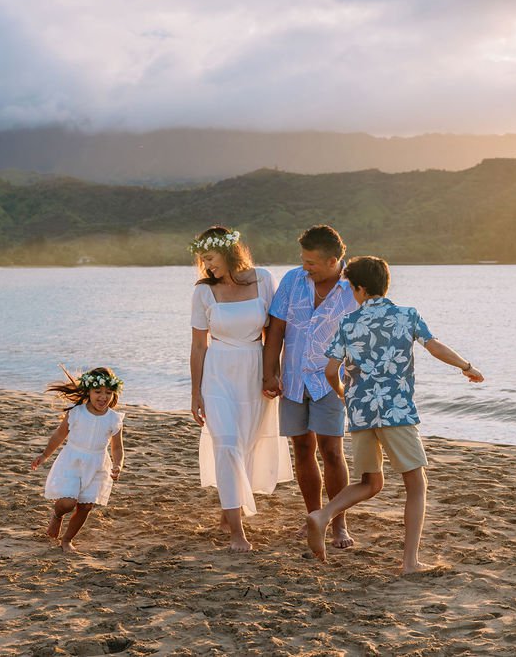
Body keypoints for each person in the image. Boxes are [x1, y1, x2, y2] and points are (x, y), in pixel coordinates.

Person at [306, 256, 484, 573]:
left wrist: (343, 394)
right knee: (416, 484)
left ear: (360, 289)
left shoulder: (348, 323)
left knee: (370, 482)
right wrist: (467, 368)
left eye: (351, 288)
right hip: (396, 411)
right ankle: (410, 562)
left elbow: (330, 369)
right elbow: (435, 347)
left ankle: (322, 515)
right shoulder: (406, 316)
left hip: (361, 412)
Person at [190, 226, 293, 552]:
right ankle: (237, 532)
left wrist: (273, 374)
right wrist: (196, 393)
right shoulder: (203, 292)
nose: (207, 266)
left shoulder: (263, 279)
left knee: (246, 446)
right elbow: (198, 346)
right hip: (218, 372)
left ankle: (228, 510)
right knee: (229, 445)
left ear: (229, 252)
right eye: (203, 260)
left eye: (211, 258)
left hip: (253, 370)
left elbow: (274, 333)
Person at [263, 225, 358, 549]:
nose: (306, 267)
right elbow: (276, 328)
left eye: (312, 262)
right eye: (303, 260)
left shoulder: (353, 288)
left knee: (332, 452)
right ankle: (313, 515)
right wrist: (270, 372)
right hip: (292, 379)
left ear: (333, 261)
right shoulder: (292, 280)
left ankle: (338, 523)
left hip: (332, 383)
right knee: (302, 450)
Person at [31, 367, 125, 554]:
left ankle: (67, 540)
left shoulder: (114, 419)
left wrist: (117, 464)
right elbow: (59, 435)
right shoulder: (76, 412)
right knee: (68, 503)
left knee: (85, 506)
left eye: (108, 393)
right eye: (98, 392)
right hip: (73, 461)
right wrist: (44, 455)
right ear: (88, 391)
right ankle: (57, 515)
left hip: (98, 464)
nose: (103, 397)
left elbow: (117, 447)